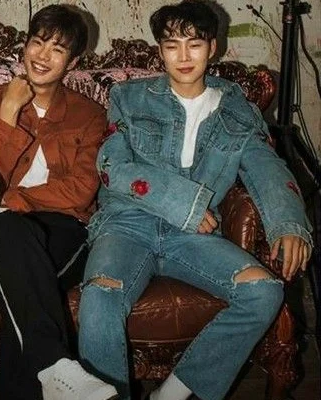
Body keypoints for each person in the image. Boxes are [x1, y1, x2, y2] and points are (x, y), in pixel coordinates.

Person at [77, 2, 312, 400]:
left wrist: (288, 224)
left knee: (264, 292)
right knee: (100, 296)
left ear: (213, 47)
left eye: (194, 44)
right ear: (160, 51)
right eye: (172, 46)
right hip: (127, 224)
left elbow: (266, 167)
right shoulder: (129, 97)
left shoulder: (237, 110)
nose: (183, 56)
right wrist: (184, 204)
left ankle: (171, 394)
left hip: (194, 237)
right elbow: (111, 166)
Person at [0, 5, 117, 400]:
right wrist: (8, 112)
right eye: (38, 43)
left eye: (58, 49)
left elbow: (82, 189)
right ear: (24, 46)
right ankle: (56, 369)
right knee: (12, 245)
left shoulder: (89, 115)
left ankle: (52, 369)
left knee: (18, 278)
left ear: (73, 62)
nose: (42, 56)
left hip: (63, 228)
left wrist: (17, 198)